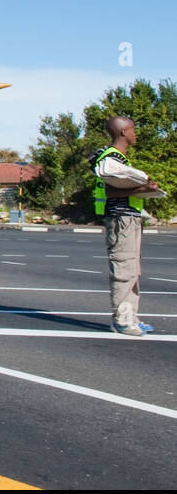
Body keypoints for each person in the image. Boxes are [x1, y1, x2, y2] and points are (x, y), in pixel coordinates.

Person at [92, 115, 161, 336]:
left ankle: (130, 316)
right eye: (132, 129)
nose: (135, 133)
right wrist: (142, 189)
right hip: (121, 219)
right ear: (122, 132)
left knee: (132, 270)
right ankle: (122, 319)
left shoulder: (120, 159)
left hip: (128, 218)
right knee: (123, 268)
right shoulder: (110, 158)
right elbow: (112, 191)